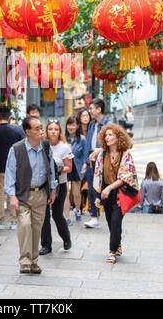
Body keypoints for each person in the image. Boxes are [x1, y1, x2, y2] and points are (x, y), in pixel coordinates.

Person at [4, 116, 57, 274]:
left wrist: (53, 190)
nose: (42, 131)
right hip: (23, 195)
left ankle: (34, 262)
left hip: (41, 194)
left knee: (36, 228)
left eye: (42, 128)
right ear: (27, 132)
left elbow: (51, 170)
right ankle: (24, 261)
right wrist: (12, 196)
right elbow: (10, 174)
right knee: (25, 225)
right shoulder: (16, 149)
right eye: (37, 129)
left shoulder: (46, 147)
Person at [93, 123, 139, 264]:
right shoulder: (102, 155)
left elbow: (126, 177)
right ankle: (117, 245)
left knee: (115, 220)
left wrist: (109, 189)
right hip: (106, 192)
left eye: (111, 135)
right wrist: (98, 195)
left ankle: (112, 252)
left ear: (118, 138)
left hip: (120, 193)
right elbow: (97, 175)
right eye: (106, 135)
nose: (107, 137)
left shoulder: (126, 155)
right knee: (109, 221)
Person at [39, 119, 73, 255]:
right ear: (46, 131)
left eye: (56, 129)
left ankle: (66, 237)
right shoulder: (42, 145)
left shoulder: (65, 147)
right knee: (44, 215)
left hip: (60, 184)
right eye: (50, 129)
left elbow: (69, 168)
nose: (53, 132)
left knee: (57, 215)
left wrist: (56, 169)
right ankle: (46, 245)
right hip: (44, 185)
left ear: (60, 132)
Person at [0, 105, 24, 230]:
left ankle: (1, 222)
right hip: (14, 167)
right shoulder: (17, 131)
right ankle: (14, 222)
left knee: (0, 194)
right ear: (9, 117)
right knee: (13, 194)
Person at [81, 98, 110, 229]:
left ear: (99, 109)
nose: (90, 111)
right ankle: (95, 217)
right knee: (92, 190)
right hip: (91, 159)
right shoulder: (92, 124)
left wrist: (102, 150)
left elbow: (112, 143)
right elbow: (88, 144)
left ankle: (110, 215)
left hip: (103, 160)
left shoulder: (108, 124)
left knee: (104, 189)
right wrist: (86, 162)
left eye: (91, 108)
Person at [64, 115, 88, 223]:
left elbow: (85, 154)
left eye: (73, 125)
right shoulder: (63, 138)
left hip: (77, 168)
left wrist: (84, 165)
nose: (71, 127)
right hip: (65, 167)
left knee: (76, 193)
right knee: (66, 192)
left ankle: (77, 210)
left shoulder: (82, 139)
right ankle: (66, 217)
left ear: (77, 126)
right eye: (69, 124)